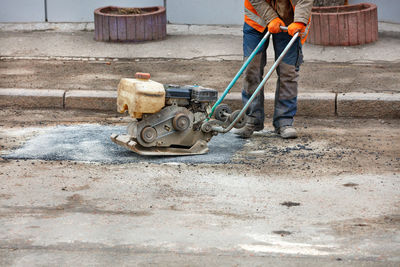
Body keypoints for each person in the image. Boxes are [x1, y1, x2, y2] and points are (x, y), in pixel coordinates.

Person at [234, 0, 313, 139]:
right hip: (257, 19)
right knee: (251, 68)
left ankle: (284, 122)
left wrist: (300, 21)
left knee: (288, 71)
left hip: (290, 20)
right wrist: (271, 18)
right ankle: (252, 119)